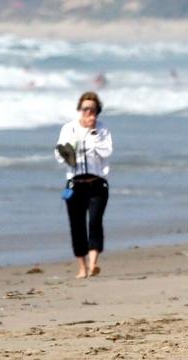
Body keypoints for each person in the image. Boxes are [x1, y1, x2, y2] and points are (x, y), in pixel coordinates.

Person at [55, 92, 113, 278]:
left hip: (97, 183)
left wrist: (93, 134)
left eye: (92, 109)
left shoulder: (102, 130)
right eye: (85, 108)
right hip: (75, 183)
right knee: (77, 225)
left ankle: (93, 263)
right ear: (80, 109)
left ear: (97, 111)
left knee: (95, 221)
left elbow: (106, 152)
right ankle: (82, 267)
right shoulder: (69, 128)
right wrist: (74, 146)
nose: (88, 113)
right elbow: (60, 155)